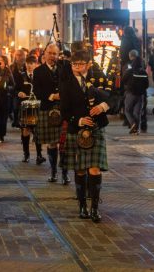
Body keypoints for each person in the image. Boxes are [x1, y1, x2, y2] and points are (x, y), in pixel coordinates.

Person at [60, 50, 111, 223]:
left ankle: (95, 208)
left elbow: (115, 96)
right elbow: (64, 111)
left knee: (94, 169)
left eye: (81, 64)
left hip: (96, 128)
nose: (77, 67)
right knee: (80, 169)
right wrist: (80, 120)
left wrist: (103, 106)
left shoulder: (98, 77)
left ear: (89, 64)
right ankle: (82, 206)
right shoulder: (66, 83)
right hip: (77, 129)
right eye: (74, 64)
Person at [32, 44, 62, 177]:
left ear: (58, 55)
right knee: (52, 142)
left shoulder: (65, 69)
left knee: (64, 142)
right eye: (50, 53)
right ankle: (54, 170)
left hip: (63, 109)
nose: (52, 56)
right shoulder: (38, 71)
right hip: (47, 108)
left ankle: (65, 172)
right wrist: (52, 96)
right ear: (44, 54)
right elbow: (37, 92)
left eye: (55, 54)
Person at [15, 55, 38, 162]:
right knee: (25, 130)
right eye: (28, 63)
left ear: (36, 64)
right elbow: (15, 89)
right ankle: (26, 154)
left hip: (37, 106)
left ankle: (39, 155)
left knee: (38, 131)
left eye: (32, 63)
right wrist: (19, 92)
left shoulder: (39, 76)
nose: (29, 65)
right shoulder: (21, 76)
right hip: (25, 106)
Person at [122, 57, 149, 135]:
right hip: (140, 95)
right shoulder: (144, 73)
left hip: (130, 94)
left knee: (127, 110)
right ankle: (136, 130)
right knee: (137, 113)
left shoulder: (129, 71)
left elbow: (123, 80)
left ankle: (133, 123)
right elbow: (147, 85)